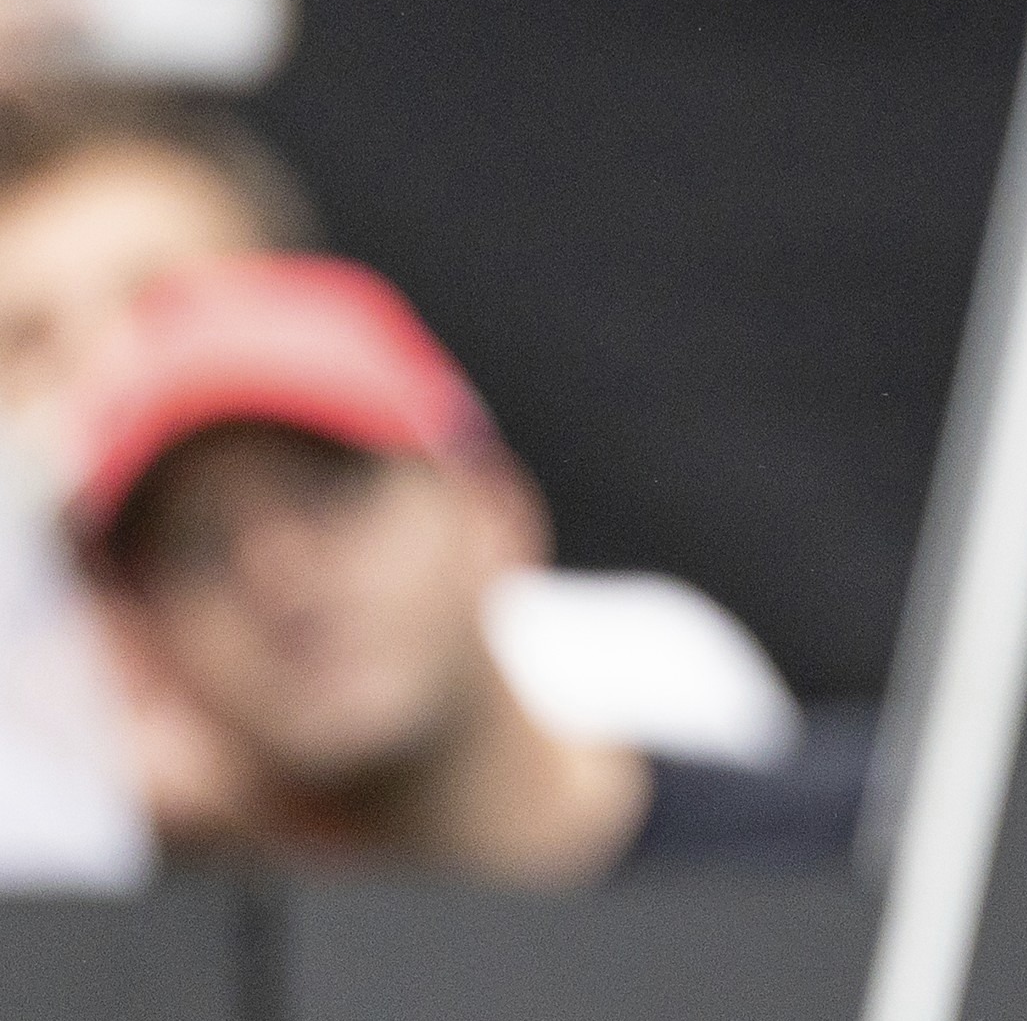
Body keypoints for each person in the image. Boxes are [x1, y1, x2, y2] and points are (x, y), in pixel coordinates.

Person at [0, 88, 805, 855]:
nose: (105, 362)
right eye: (28, 338)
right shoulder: (52, 786)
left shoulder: (637, 663)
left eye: (157, 297)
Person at [67, 253, 863, 884]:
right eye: (198, 548)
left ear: (496, 513)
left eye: (330, 488)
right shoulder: (118, 1003)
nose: (281, 577)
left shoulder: (872, 859)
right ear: (149, 648)